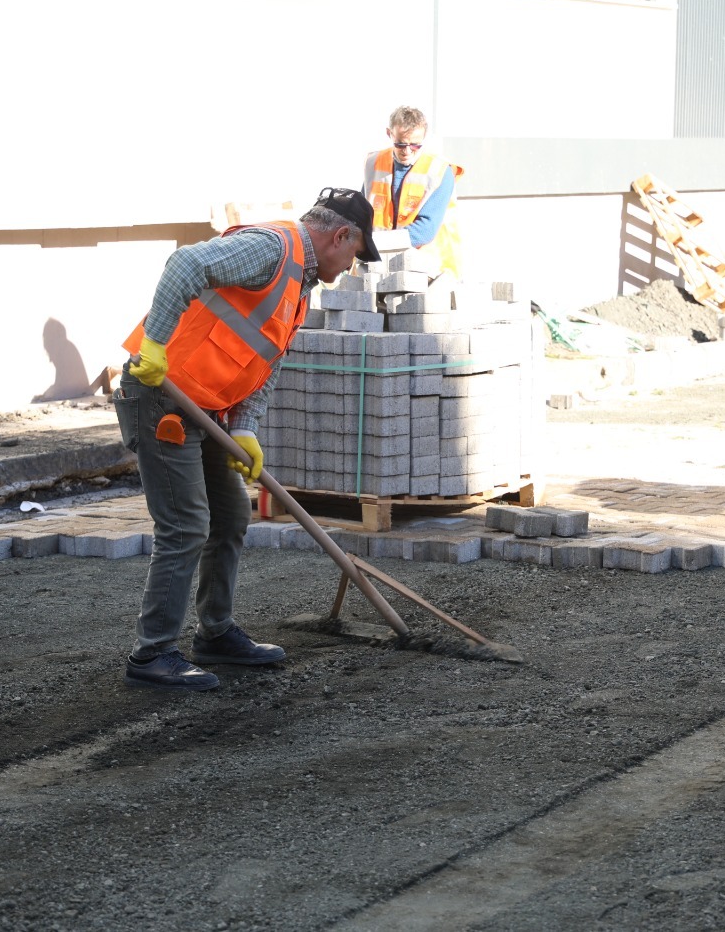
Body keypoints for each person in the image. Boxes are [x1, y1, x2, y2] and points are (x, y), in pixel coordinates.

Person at [113, 189, 380, 690]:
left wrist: (244, 428)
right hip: (162, 395)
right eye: (355, 255)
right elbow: (185, 264)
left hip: (208, 408)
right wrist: (154, 345)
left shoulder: (298, 285)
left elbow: (265, 362)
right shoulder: (273, 249)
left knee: (232, 514)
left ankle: (215, 633)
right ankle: (152, 654)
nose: (350, 267)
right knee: (186, 525)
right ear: (341, 236)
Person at [364, 105, 466, 277]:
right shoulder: (374, 163)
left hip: (429, 271)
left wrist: (373, 244)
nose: (407, 150)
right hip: (381, 265)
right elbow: (362, 214)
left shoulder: (440, 171)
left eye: (415, 145)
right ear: (389, 133)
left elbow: (425, 230)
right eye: (401, 144)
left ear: (424, 136)